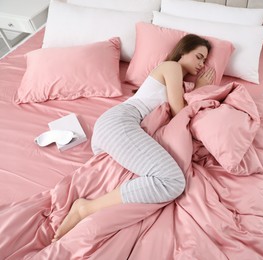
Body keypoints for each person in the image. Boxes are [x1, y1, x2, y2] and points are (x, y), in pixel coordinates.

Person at [52, 34, 216, 242]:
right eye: (199, 57)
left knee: (143, 181)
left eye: (205, 61)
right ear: (183, 51)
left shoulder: (182, 85)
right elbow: (179, 112)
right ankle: (85, 208)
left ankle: (91, 211)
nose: (202, 65)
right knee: (173, 181)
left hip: (115, 130)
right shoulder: (171, 68)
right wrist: (201, 87)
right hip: (119, 122)